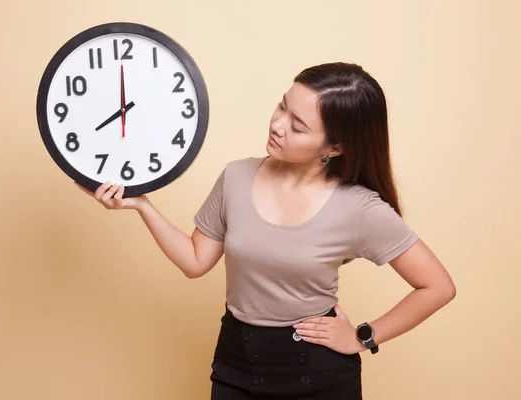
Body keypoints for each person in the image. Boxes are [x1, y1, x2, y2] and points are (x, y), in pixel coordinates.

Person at [75, 62, 456, 399]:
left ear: (335, 147)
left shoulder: (359, 207)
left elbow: (437, 286)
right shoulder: (236, 176)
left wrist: (363, 336)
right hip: (235, 361)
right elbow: (195, 261)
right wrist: (141, 204)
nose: (277, 124)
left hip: (317, 374)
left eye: (298, 125)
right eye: (282, 106)